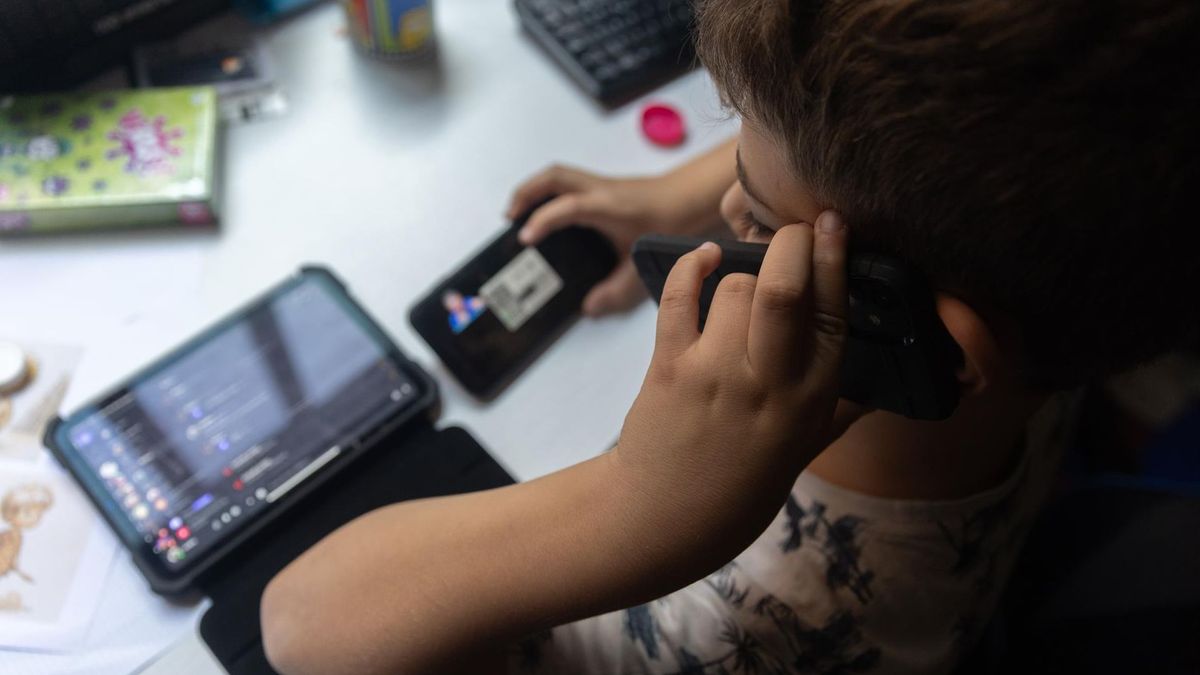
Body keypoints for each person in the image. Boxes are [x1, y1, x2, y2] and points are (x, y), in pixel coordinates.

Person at [259, 0, 1200, 672]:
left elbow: (304, 624)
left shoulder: (755, 625)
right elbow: (886, 147)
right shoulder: (1054, 274)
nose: (718, 208)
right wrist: (666, 195)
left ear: (935, 346)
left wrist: (630, 507)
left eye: (752, 209)